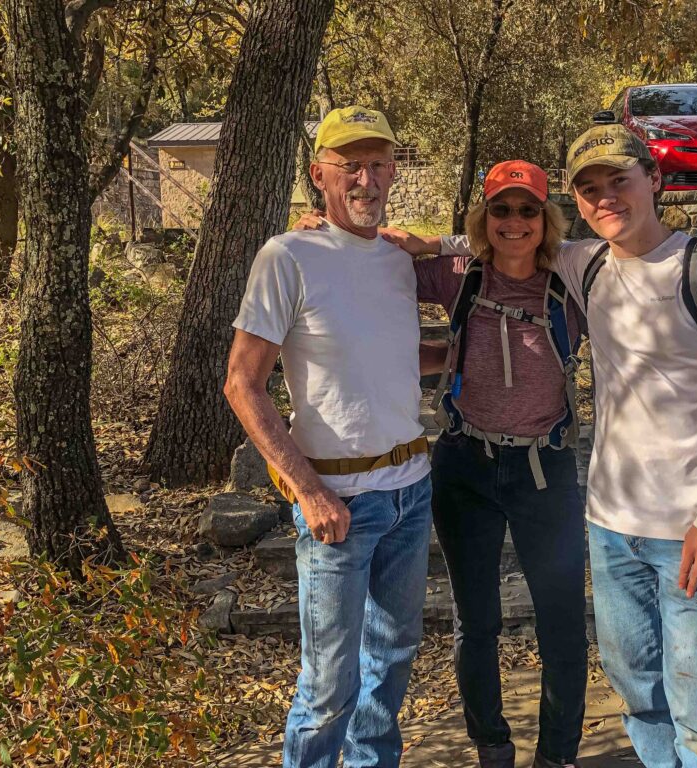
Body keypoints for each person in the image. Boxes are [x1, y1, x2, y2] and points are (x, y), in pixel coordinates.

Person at [396, 124, 697, 767]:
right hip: (595, 513)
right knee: (636, 692)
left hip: (672, 519)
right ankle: (518, 747)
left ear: (653, 179)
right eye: (591, 189)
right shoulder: (564, 264)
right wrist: (415, 240)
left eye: (618, 182)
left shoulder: (692, 269)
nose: (606, 199)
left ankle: (574, 754)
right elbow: (482, 244)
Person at [296, 160, 588, 768]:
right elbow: (370, 260)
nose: (514, 223)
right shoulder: (458, 276)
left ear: (546, 218)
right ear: (483, 218)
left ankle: (557, 752)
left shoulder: (574, 280)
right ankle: (492, 744)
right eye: (501, 210)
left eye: (527, 210)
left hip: (545, 471)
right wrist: (323, 233)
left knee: (561, 621)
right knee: (474, 620)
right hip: (466, 467)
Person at [224, 106, 435, 768]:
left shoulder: (399, 259)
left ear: (395, 171)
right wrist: (309, 492)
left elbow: (395, 351)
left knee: (392, 663)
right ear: (320, 176)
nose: (367, 181)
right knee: (328, 686)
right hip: (338, 502)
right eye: (350, 167)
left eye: (379, 165)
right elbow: (241, 383)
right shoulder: (288, 255)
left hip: (409, 492)